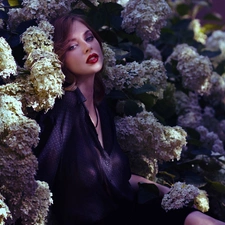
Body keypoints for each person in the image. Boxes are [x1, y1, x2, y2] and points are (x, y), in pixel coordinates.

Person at [33, 13, 225, 225]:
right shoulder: (63, 110)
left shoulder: (101, 109)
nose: (87, 47)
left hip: (128, 212)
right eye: (72, 46)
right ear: (59, 59)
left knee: (201, 220)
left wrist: (171, 192)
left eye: (89, 38)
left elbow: (119, 178)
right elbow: (38, 186)